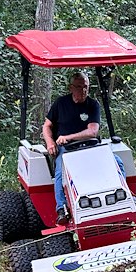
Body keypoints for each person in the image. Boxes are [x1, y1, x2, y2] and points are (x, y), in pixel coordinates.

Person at [43, 71, 101, 224]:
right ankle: (61, 208)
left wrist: (67, 137)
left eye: (86, 87)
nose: (83, 90)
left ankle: (126, 197)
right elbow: (47, 126)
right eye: (79, 87)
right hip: (66, 149)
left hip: (90, 146)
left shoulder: (93, 105)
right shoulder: (60, 103)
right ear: (71, 87)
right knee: (61, 172)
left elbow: (93, 131)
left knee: (117, 162)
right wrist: (50, 142)